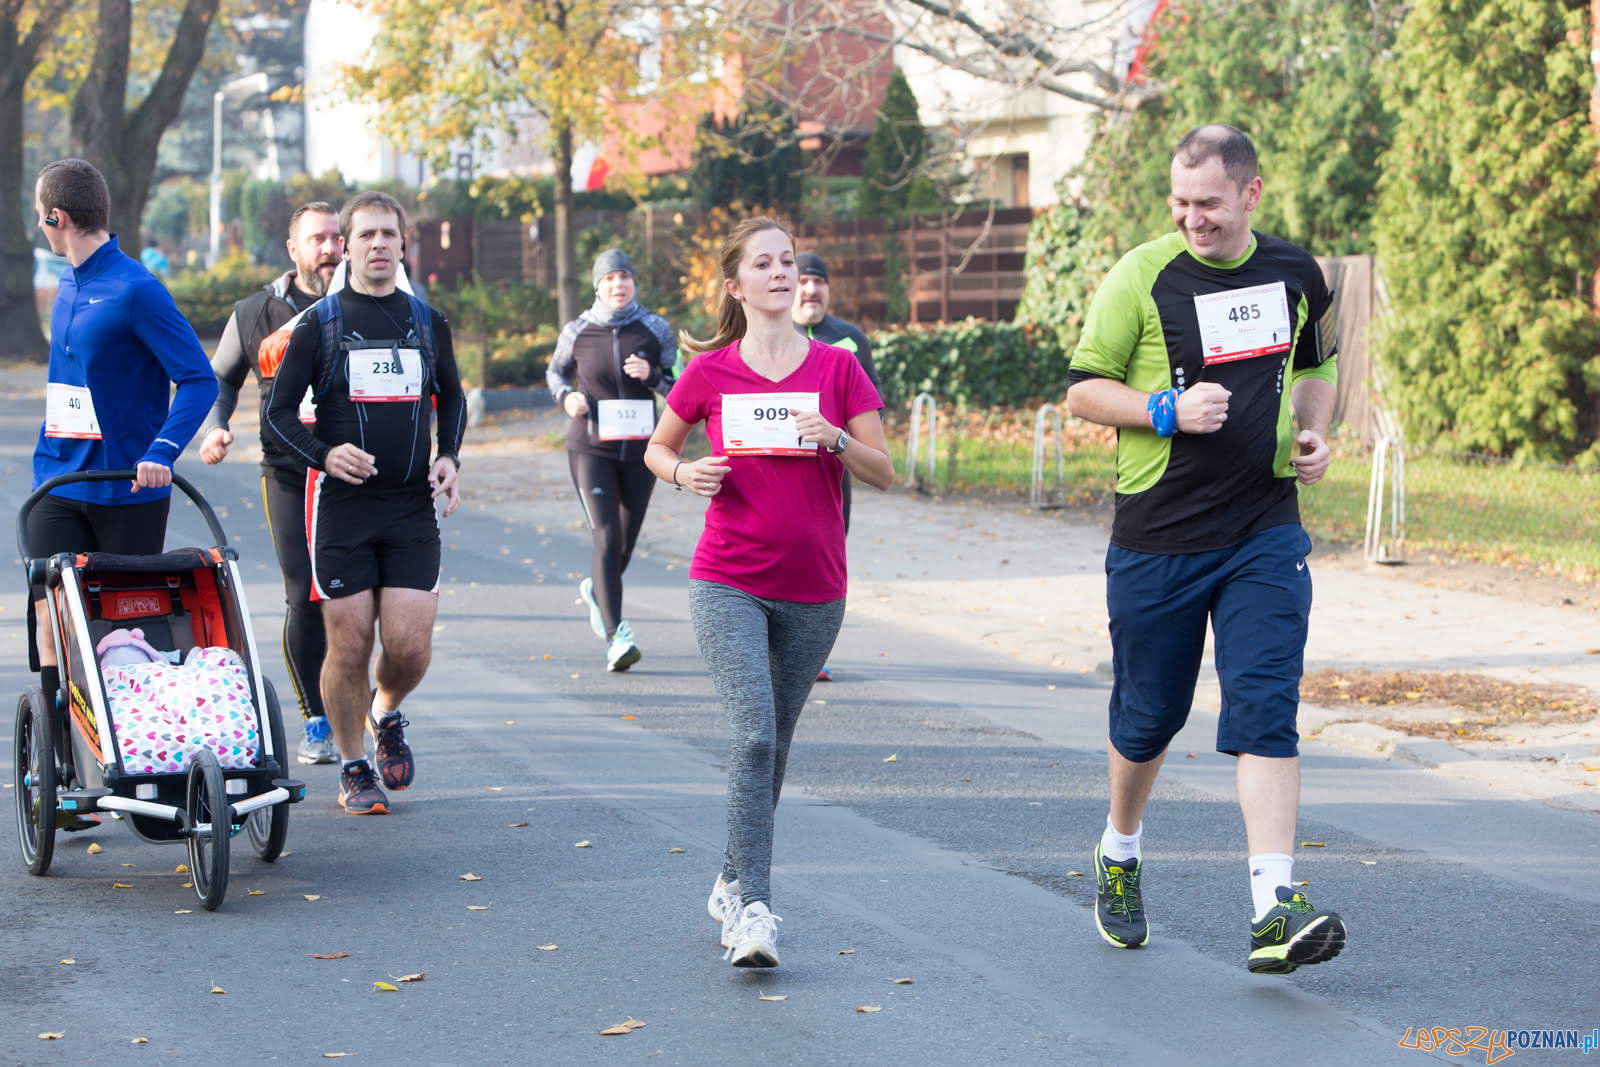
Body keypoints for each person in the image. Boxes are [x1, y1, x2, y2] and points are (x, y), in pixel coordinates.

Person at [1065, 125, 1344, 974]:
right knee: (1149, 717)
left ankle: (1272, 906)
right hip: (1160, 537)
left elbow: (1318, 365)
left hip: (1264, 528)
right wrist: (1163, 410)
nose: (1193, 219)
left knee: (1266, 701)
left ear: (1252, 194)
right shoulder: (1142, 275)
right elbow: (1082, 388)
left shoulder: (1294, 270)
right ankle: (1119, 847)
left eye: (1210, 204)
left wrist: (1316, 434)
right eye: (1181, 203)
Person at [644, 217, 894, 968]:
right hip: (728, 577)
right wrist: (687, 473)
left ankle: (730, 875)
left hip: (817, 587)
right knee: (753, 734)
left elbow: (885, 469)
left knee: (773, 747)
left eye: (789, 260)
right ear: (737, 284)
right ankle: (752, 909)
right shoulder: (711, 371)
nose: (782, 272)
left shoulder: (840, 370)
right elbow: (659, 447)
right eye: (765, 262)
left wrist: (837, 438)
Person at [262, 191, 466, 816]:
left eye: (389, 234)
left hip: (409, 507)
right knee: (347, 647)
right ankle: (353, 765)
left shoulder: (428, 323)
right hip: (343, 509)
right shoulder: (319, 325)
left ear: (403, 244)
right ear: (345, 245)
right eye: (366, 235)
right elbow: (276, 414)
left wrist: (449, 456)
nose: (379, 244)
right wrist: (324, 455)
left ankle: (385, 712)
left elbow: (451, 399)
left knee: (409, 648)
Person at [28, 158, 217, 821]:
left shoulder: (138, 289)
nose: (39, 223)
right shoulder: (69, 284)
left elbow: (198, 379)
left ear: (57, 217)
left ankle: (143, 755)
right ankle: (63, 770)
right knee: (56, 625)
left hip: (129, 490)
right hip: (58, 483)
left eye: (40, 212)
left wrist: (162, 450)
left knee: (121, 635)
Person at [198, 202, 343, 764]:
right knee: (304, 593)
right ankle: (315, 720)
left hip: (357, 473)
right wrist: (215, 428)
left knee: (356, 596)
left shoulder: (365, 307)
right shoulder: (258, 311)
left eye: (336, 238)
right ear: (294, 249)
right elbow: (220, 379)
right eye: (318, 240)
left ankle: (364, 708)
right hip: (287, 472)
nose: (330, 249)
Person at [546, 248, 676, 671]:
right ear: (597, 286)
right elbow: (554, 373)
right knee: (605, 534)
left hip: (642, 450)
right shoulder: (579, 330)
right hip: (591, 447)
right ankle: (616, 635)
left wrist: (652, 377)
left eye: (624, 277)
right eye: (609, 279)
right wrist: (568, 398)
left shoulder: (654, 329)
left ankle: (596, 590)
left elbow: (680, 389)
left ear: (634, 282)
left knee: (624, 541)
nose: (618, 285)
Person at [791, 251, 882, 681]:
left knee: (825, 557)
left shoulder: (848, 339)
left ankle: (812, 650)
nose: (811, 289)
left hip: (833, 470)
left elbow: (872, 405)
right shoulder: (773, 337)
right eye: (804, 280)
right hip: (779, 470)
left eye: (819, 281)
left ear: (828, 288)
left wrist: (851, 443)